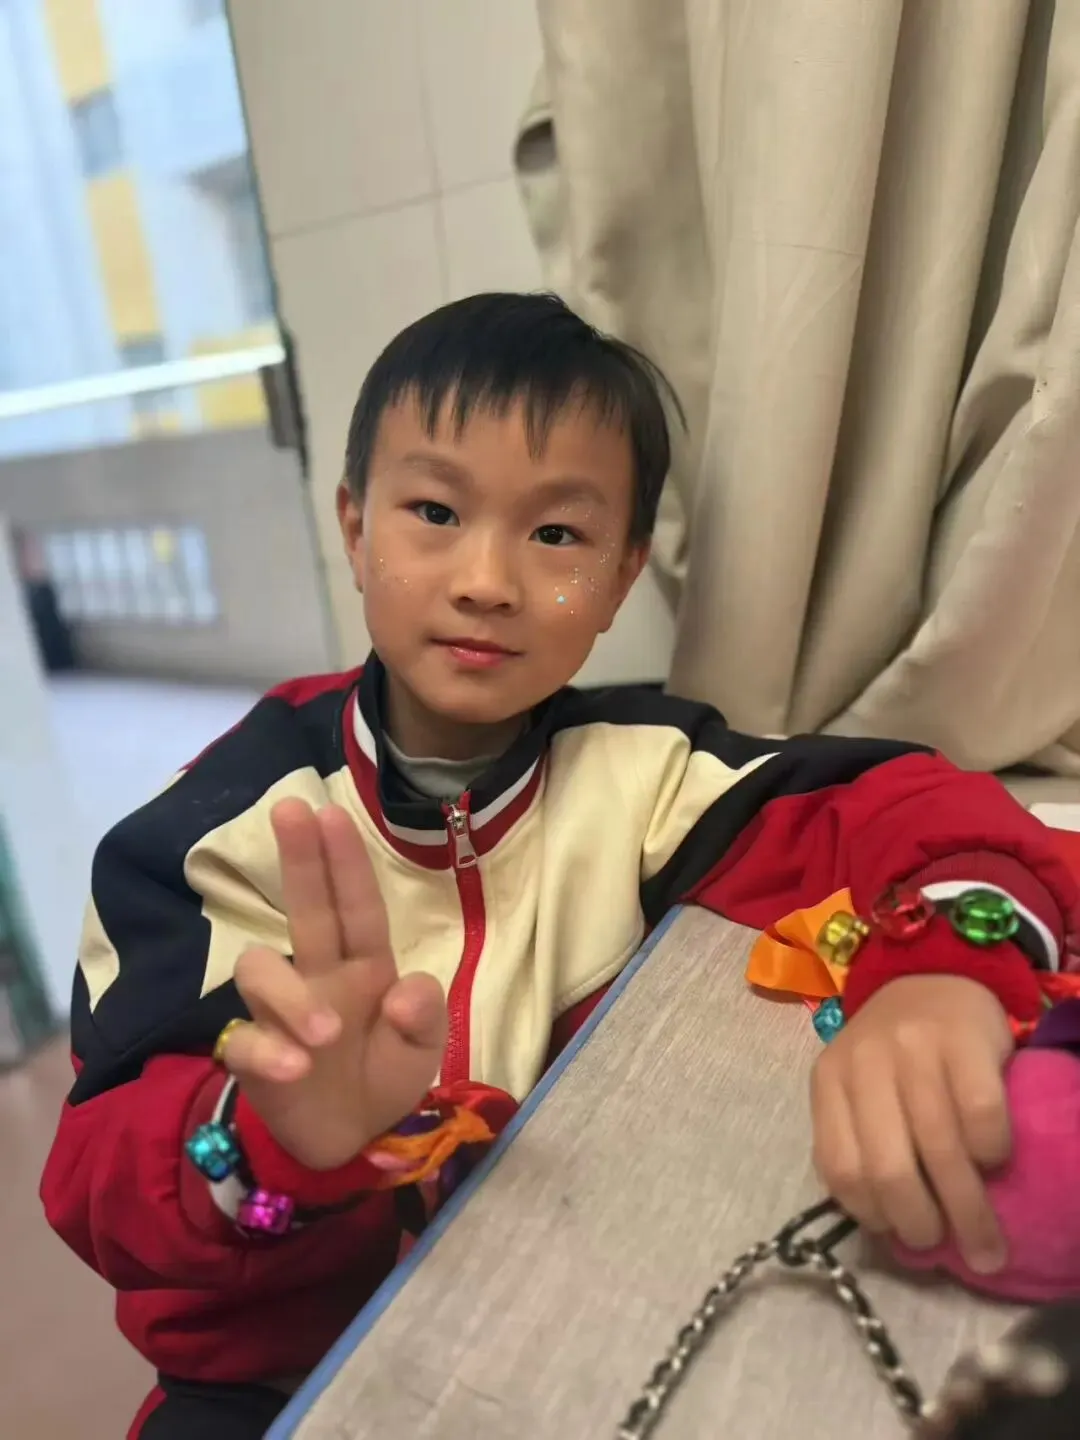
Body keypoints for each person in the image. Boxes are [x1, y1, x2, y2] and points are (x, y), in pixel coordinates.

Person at [41, 294, 1078, 1439]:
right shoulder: (210, 835)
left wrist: (941, 970)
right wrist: (267, 1133)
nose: (488, 579)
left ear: (624, 575)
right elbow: (93, 1188)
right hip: (270, 1383)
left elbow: (918, 812)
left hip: (553, 1320)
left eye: (557, 537)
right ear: (355, 527)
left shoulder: (647, 773)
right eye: (435, 512)